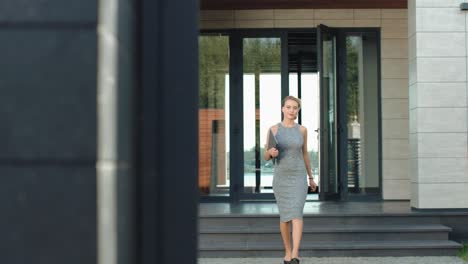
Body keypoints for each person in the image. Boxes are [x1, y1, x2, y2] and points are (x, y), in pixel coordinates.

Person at [264, 95, 317, 264]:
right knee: (285, 218)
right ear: (283, 109)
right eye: (288, 107)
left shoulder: (302, 130)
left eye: (295, 108)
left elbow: (305, 153)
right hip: (281, 178)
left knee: (296, 214)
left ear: (298, 111)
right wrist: (270, 153)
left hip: (299, 177)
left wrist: (311, 177)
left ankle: (295, 254)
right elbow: (266, 155)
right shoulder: (273, 130)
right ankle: (287, 250)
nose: (292, 110)